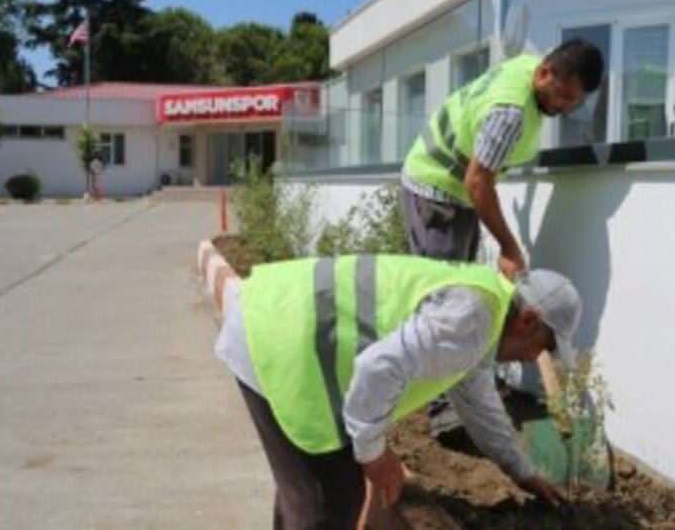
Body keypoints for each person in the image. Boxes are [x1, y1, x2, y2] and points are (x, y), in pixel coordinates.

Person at [215, 254, 582, 528]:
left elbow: (480, 405)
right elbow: (377, 368)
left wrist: (523, 472)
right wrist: (374, 453)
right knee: (328, 502)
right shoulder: (473, 319)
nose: (537, 359)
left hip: (281, 328)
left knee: (311, 493)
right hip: (279, 338)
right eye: (544, 346)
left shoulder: (484, 319)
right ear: (528, 319)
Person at [400, 38, 603, 438]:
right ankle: (445, 413)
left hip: (453, 189)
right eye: (563, 94)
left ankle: (459, 385)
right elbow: (479, 182)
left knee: (458, 291)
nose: (565, 107)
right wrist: (510, 246)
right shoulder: (510, 114)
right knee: (444, 299)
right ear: (545, 72)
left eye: (575, 102)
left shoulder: (527, 66)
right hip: (436, 190)